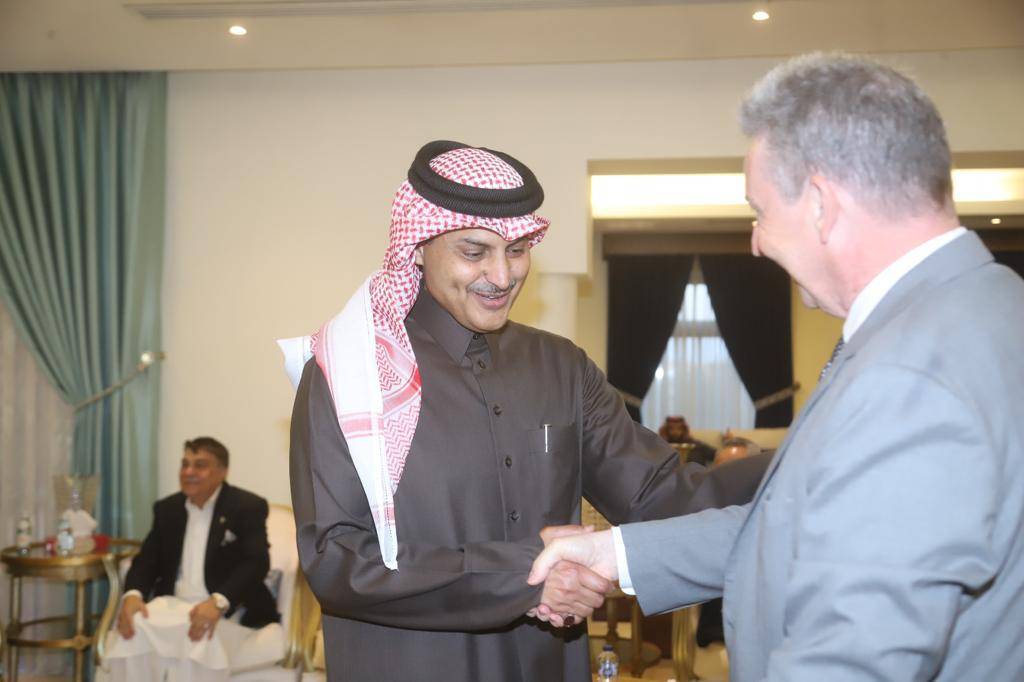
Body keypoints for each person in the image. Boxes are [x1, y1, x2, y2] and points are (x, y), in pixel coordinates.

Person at [530, 53, 1024, 681]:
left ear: (821, 203)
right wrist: (615, 552)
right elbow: (802, 525)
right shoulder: (990, 303)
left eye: (759, 212)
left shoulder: (910, 378)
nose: (756, 242)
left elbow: (853, 659)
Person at [283, 140, 742, 682]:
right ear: (417, 246)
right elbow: (337, 560)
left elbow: (658, 494)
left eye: (518, 249)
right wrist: (522, 575)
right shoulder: (348, 374)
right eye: (474, 252)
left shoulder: (561, 366)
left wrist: (792, 473)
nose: (502, 276)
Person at [105, 437, 280, 681]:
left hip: (229, 608)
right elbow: (146, 560)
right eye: (185, 464)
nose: (188, 472)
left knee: (198, 635)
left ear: (222, 471)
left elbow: (257, 562)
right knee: (134, 629)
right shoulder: (168, 509)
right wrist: (133, 595)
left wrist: (218, 601)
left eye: (200, 465)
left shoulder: (246, 506)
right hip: (172, 604)